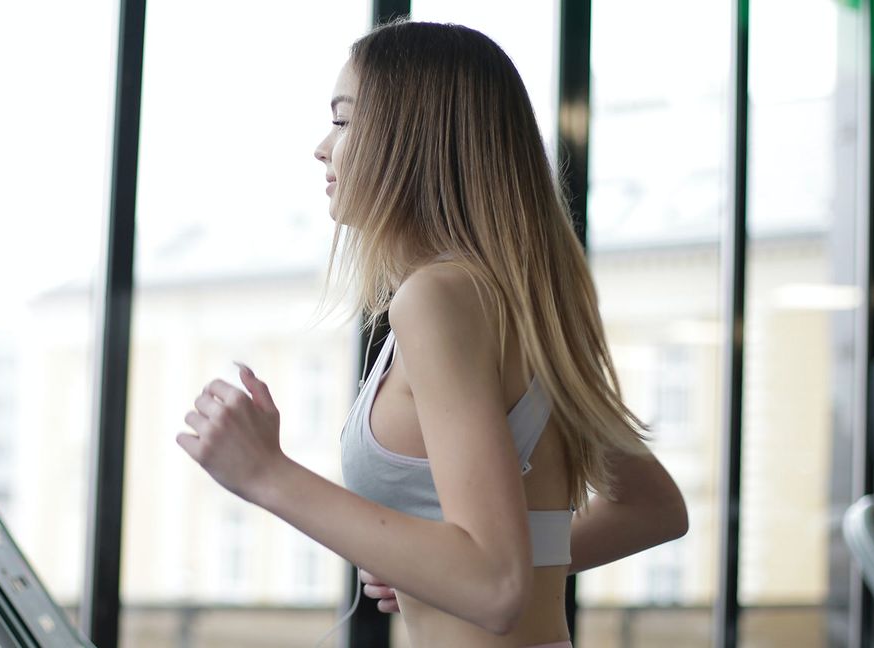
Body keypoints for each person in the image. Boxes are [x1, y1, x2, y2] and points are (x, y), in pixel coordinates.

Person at [175, 20, 689, 647]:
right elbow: (653, 510)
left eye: (342, 121)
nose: (321, 148)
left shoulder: (436, 300)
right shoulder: (523, 300)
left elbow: (495, 586)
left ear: (411, 137)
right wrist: (435, 575)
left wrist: (266, 473)